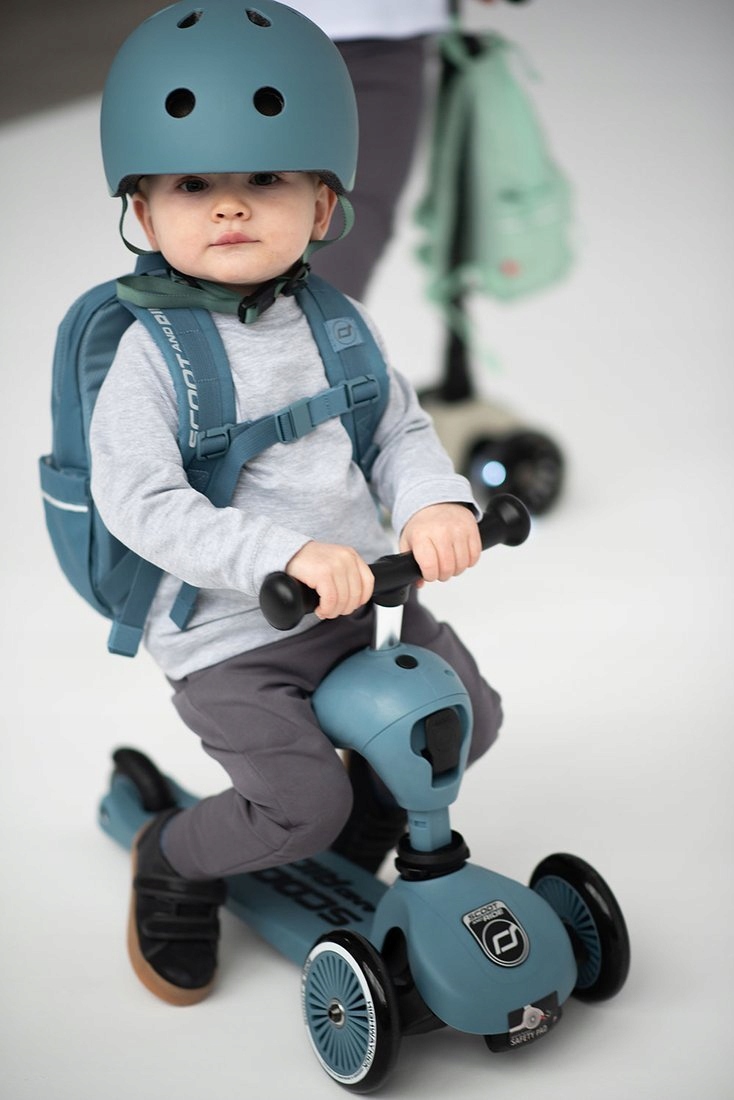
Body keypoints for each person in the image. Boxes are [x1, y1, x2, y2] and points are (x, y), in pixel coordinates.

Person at [90, 0, 503, 1008]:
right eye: (194, 184)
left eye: (266, 180)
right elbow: (141, 503)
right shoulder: (151, 357)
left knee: (466, 719)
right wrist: (278, 555)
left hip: (362, 597)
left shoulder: (337, 321)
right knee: (299, 804)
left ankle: (362, 819)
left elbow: (396, 432)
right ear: (143, 210)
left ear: (322, 204)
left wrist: (433, 504)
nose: (230, 207)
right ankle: (176, 855)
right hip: (232, 629)